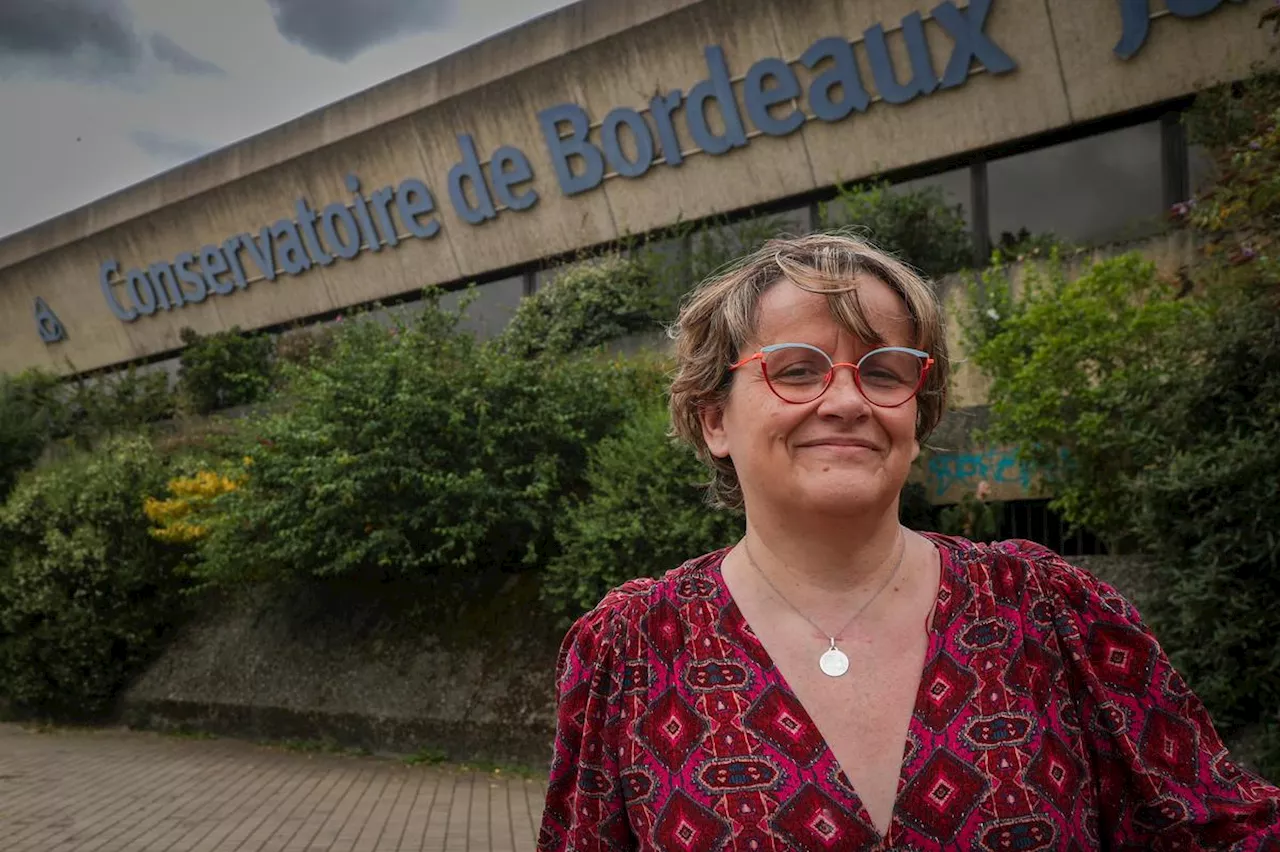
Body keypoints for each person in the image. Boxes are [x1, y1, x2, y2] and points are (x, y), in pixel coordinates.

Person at [536, 233, 1280, 850]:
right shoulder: (630, 650)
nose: (848, 400)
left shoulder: (1049, 611)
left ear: (916, 415)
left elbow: (1220, 827)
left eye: (885, 372)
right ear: (714, 419)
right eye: (797, 369)